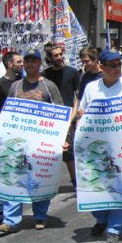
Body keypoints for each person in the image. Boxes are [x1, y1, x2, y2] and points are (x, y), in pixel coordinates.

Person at [0, 48, 65, 234]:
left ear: (40, 63)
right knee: (14, 178)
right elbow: (8, 114)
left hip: (41, 142)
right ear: (23, 63)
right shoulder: (15, 86)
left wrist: (62, 139)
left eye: (34, 61)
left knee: (39, 177)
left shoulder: (49, 86)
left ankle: (40, 216)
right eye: (28, 60)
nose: (31, 64)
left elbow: (59, 114)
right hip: (18, 143)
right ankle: (10, 221)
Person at [78, 49, 122, 243]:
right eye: (112, 66)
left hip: (120, 147)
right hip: (95, 147)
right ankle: (101, 219)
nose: (117, 69)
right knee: (94, 184)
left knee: (118, 187)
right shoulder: (91, 88)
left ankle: (114, 228)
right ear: (102, 67)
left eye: (119, 65)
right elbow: (82, 110)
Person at [42, 44, 80, 188]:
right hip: (52, 119)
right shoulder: (45, 75)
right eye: (55, 55)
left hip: (69, 118)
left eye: (60, 54)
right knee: (48, 151)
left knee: (69, 152)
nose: (59, 57)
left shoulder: (72, 72)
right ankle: (47, 181)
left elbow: (77, 98)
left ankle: (75, 181)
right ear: (50, 58)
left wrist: (72, 118)